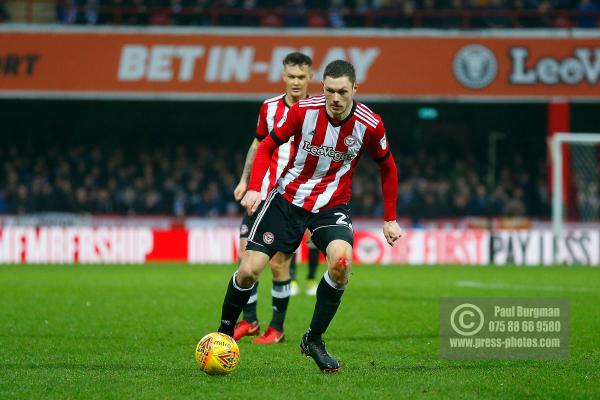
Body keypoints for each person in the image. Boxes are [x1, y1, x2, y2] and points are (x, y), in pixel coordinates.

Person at [217, 60, 401, 372]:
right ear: (323, 88)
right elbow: (265, 147)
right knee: (248, 271)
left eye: (343, 91)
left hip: (331, 207)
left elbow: (388, 166)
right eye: (330, 90)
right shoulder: (304, 111)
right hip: (286, 201)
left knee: (341, 264)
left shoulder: (370, 124)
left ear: (355, 89)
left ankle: (313, 339)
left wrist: (390, 217)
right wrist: (254, 187)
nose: (336, 98)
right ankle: (222, 336)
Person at [232, 51, 313, 344]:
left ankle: (276, 328)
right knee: (245, 260)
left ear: (309, 78)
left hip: (290, 199)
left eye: (301, 77)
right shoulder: (268, 108)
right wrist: (244, 180)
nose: (295, 82)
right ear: (283, 76)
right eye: (291, 76)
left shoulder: (317, 111)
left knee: (280, 265)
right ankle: (250, 321)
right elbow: (258, 144)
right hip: (260, 195)